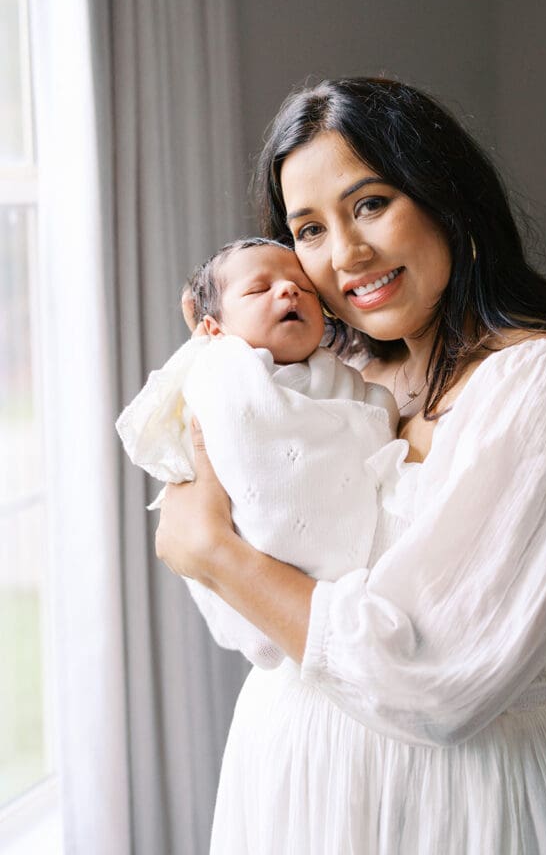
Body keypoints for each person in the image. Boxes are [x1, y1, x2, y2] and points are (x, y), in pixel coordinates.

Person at [155, 78, 546, 854]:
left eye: (369, 204)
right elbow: (245, 625)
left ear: (447, 201)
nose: (347, 254)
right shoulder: (321, 385)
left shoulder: (542, 385)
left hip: (474, 798)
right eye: (309, 229)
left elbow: (440, 684)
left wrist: (217, 553)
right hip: (293, 777)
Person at [117, 237, 397, 667]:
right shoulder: (224, 369)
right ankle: (264, 615)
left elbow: (369, 416)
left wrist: (375, 411)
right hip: (257, 548)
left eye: (302, 289)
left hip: (348, 585)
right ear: (213, 329)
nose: (288, 292)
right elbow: (236, 428)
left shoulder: (338, 373)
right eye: (258, 289)